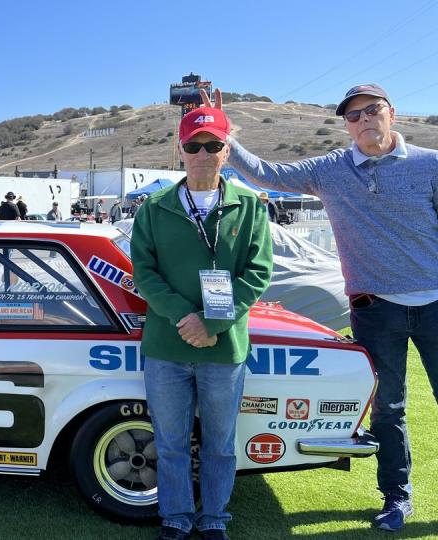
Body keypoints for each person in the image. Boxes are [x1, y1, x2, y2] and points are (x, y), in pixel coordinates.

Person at [215, 83, 438, 532]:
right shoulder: (331, 169)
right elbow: (265, 173)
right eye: (353, 116)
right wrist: (223, 132)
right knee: (387, 408)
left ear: (391, 112)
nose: (363, 121)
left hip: (435, 302)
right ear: (346, 125)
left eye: (371, 111)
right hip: (375, 309)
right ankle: (396, 498)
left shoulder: (430, 164)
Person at [131, 106, 273, 540]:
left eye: (213, 145)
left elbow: (258, 271)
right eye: (193, 146)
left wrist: (212, 323)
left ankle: (213, 518)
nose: (202, 153)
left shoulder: (249, 206)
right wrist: (185, 317)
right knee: (170, 443)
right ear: (180, 151)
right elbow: (144, 272)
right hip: (167, 346)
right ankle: (175, 518)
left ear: (227, 151)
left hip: (224, 346)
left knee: (220, 443)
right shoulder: (154, 208)